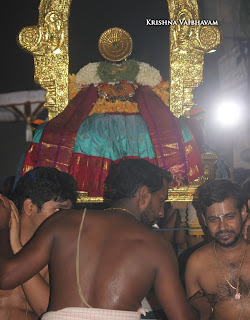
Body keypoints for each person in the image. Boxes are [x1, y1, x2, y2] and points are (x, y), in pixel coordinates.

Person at [0, 159, 211, 320]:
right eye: (161, 200)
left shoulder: (62, 221)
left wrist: (2, 224)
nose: (161, 212)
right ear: (144, 195)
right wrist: (200, 308)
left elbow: (7, 276)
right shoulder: (156, 245)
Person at [0, 166, 78, 320]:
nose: (64, 219)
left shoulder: (56, 257)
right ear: (30, 207)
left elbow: (46, 309)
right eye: (58, 211)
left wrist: (18, 248)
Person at [185, 178, 250, 320]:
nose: (222, 227)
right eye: (213, 219)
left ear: (243, 212)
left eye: (229, 216)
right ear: (203, 218)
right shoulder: (197, 263)